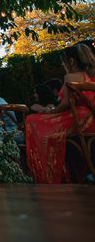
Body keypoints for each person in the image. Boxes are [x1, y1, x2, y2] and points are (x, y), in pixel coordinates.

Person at [25, 44, 95, 184]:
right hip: (91, 119)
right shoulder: (92, 76)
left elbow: (66, 104)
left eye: (63, 62)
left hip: (78, 119)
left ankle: (50, 173)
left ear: (71, 61)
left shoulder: (71, 77)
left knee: (32, 120)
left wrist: (50, 111)